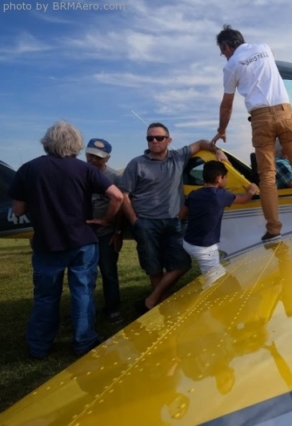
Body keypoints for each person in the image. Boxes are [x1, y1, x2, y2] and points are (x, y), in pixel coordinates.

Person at [9, 120, 123, 358]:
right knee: (82, 293)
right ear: (77, 144)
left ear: (47, 142)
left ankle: (39, 346)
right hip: (82, 241)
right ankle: (83, 342)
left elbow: (18, 210)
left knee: (45, 297)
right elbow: (117, 196)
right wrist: (105, 220)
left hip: (46, 243)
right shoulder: (86, 169)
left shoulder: (29, 169)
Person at [211, 24, 292, 242]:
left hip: (260, 118)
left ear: (227, 46)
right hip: (284, 112)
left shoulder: (231, 66)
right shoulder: (264, 48)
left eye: (222, 52)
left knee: (267, 176)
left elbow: (226, 105)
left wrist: (222, 129)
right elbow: (270, 58)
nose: (224, 56)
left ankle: (274, 229)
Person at [119, 122, 223, 313]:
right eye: (150, 138)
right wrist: (134, 220)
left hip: (174, 221)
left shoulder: (178, 156)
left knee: (182, 264)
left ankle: (151, 300)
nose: (155, 141)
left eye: (159, 138)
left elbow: (201, 143)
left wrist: (218, 152)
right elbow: (123, 194)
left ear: (169, 140)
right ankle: (161, 305)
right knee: (154, 265)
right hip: (146, 222)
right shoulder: (137, 163)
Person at [182, 161, 258, 274]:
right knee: (215, 279)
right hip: (204, 247)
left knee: (217, 274)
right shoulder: (221, 195)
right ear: (219, 178)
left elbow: (182, 214)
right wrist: (251, 191)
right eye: (225, 177)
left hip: (188, 242)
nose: (226, 180)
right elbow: (244, 200)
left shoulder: (194, 194)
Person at [85, 138, 125, 323]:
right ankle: (85, 311)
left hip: (106, 234)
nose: (93, 160)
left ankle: (112, 308)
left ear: (107, 158)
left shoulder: (115, 178)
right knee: (84, 274)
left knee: (109, 272)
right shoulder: (80, 173)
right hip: (83, 234)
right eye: (90, 155)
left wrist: (117, 233)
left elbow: (121, 208)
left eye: (98, 157)